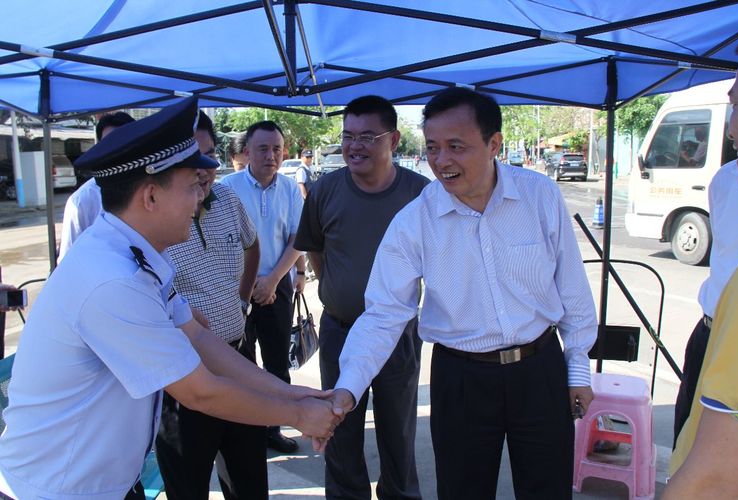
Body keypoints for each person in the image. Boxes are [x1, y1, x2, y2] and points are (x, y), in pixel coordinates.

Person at [0, 97, 340, 500]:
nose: (201, 199)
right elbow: (200, 391)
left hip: (103, 480)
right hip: (63, 488)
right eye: (191, 186)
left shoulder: (137, 255)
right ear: (150, 196)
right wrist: (302, 415)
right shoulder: (113, 280)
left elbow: (198, 338)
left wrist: (296, 394)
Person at [326, 87, 598, 499]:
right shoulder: (414, 221)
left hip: (538, 369)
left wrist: (577, 369)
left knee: (548, 489)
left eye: (456, 146)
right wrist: (348, 387)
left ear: (494, 144)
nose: (441, 161)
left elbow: (572, 291)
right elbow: (384, 314)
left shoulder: (538, 196)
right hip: (462, 380)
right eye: (433, 147)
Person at [295, 95, 429, 500]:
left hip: (398, 336)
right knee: (338, 428)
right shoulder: (325, 190)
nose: (355, 146)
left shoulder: (421, 194)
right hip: (340, 330)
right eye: (348, 136)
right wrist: (339, 288)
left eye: (368, 136)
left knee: (398, 431)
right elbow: (314, 248)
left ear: (394, 139)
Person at [155, 113, 267, 499]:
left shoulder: (229, 200)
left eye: (208, 155)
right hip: (185, 374)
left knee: (248, 478)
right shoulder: (156, 221)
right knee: (188, 484)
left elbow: (253, 245)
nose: (203, 169)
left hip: (237, 355)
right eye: (191, 160)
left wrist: (242, 296)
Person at [664, 36, 738, 500]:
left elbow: (714, 477)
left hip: (736, 344)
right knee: (688, 438)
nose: (730, 126)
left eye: (735, 104)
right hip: (711, 334)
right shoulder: (725, 182)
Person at [220, 121, 307, 453]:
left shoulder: (288, 189)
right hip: (234, 290)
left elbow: (298, 238)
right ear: (246, 152)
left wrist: (274, 280)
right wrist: (248, 284)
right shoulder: (226, 188)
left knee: (276, 364)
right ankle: (245, 431)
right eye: (263, 148)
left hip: (276, 287)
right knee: (241, 363)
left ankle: (272, 429)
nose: (271, 155)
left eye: (277, 149)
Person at [58, 111, 135, 261]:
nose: (117, 150)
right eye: (109, 143)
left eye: (124, 142)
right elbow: (69, 261)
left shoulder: (150, 189)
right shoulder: (82, 201)